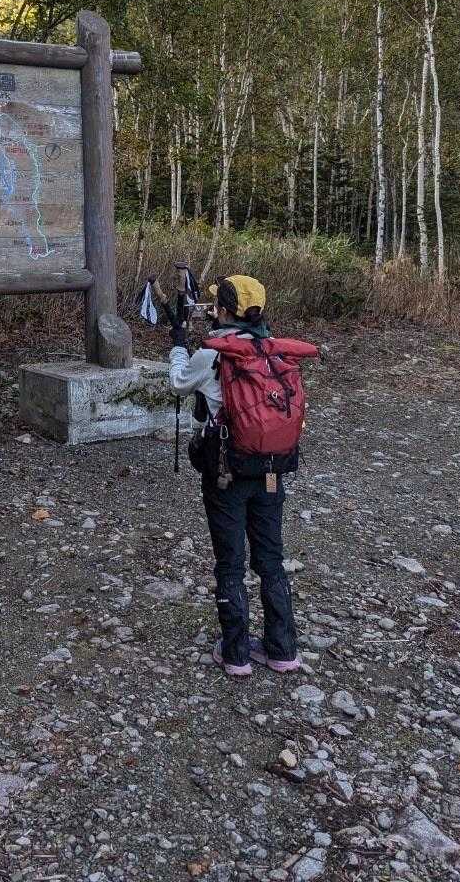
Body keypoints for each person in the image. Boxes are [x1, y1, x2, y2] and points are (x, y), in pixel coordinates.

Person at [168, 274, 300, 679]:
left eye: (216, 305)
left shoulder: (213, 354)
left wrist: (178, 345)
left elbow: (178, 383)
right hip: (272, 471)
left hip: (226, 473)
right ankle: (282, 650)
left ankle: (236, 653)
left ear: (224, 311)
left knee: (230, 564)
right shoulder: (274, 351)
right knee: (271, 559)